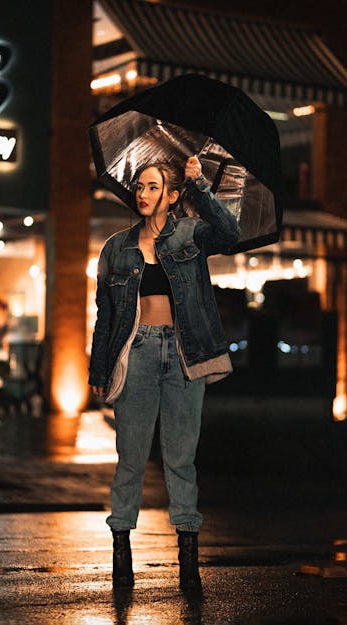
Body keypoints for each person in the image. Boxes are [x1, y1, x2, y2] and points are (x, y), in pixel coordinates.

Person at [89, 156, 240, 591]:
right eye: (139, 185)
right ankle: (121, 554)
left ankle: (188, 561)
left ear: (172, 196)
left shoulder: (190, 234)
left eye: (153, 187)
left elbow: (229, 234)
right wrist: (99, 366)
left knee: (181, 458)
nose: (142, 193)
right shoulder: (116, 248)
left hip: (183, 354)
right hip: (135, 353)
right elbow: (106, 316)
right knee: (130, 458)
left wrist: (200, 187)